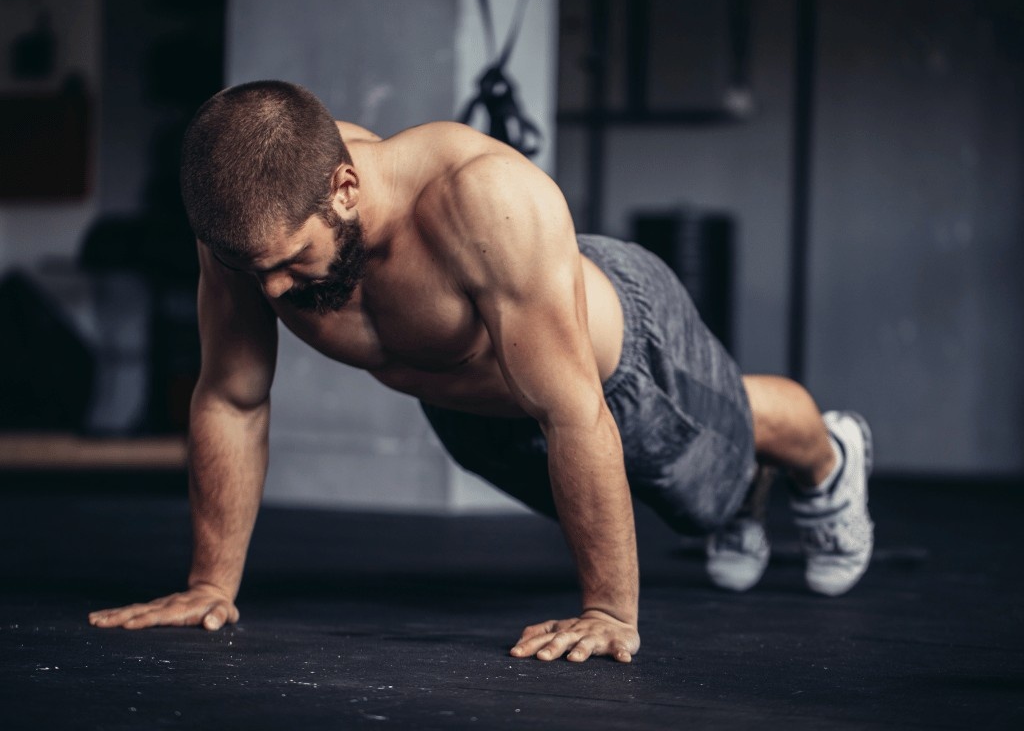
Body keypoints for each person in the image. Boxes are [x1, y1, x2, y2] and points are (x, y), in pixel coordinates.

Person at [88, 81, 874, 663]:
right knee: (686, 500)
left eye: (293, 264)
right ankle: (739, 495)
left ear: (346, 188)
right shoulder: (253, 225)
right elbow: (231, 397)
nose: (272, 293)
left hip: (623, 356)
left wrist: (607, 611)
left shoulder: (480, 200)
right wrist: (209, 586)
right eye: (255, 271)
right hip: (478, 414)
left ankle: (828, 457)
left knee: (722, 458)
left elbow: (576, 413)